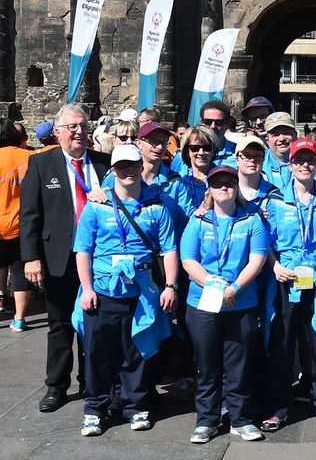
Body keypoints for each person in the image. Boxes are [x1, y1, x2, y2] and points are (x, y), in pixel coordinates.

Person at [72, 144, 178, 436]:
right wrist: (87, 289)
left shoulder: (156, 207)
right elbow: (83, 251)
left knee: (138, 350)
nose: (128, 171)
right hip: (103, 291)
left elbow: (169, 249)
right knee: (98, 354)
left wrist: (170, 285)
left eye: (133, 165)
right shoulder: (97, 206)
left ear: (141, 166)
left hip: (141, 291)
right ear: (113, 171)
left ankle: (137, 406)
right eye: (122, 167)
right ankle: (94, 409)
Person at [20, 104, 110, 412]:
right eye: (71, 126)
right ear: (57, 131)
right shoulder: (41, 164)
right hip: (58, 256)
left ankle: (92, 382)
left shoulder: (103, 163)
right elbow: (30, 216)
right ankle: (56, 386)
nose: (78, 132)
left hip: (98, 258)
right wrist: (30, 259)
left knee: (94, 322)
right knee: (60, 324)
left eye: (83, 126)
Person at [262, 138, 316, 434]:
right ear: (290, 164)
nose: (305, 166)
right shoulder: (274, 200)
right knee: (282, 343)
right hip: (286, 277)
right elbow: (264, 241)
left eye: (310, 160)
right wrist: (275, 265)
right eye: (299, 160)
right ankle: (277, 408)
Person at [180, 166, 269, 443]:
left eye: (229, 182)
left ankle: (240, 419)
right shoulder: (198, 220)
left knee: (238, 366)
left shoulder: (251, 220)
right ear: (209, 188)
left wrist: (235, 288)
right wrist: (214, 286)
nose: (223, 187)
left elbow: (258, 259)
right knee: (207, 365)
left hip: (241, 303)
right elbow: (188, 260)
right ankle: (206, 420)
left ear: (236, 186)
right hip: (203, 303)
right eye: (217, 183)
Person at [0, 119, 35, 331]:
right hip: (23, 225)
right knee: (20, 270)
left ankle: (2, 300)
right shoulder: (31, 157)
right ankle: (20, 318)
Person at [262, 111, 316, 189]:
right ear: (267, 140)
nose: (281, 139)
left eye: (286, 133)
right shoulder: (258, 163)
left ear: (295, 135)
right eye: (275, 134)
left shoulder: (314, 163)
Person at [171, 101, 236, 174]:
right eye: (208, 121)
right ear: (201, 123)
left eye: (219, 122)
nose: (213, 126)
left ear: (227, 124)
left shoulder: (238, 154)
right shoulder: (182, 155)